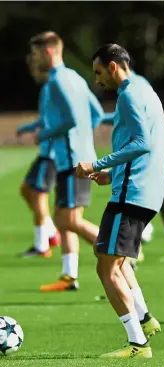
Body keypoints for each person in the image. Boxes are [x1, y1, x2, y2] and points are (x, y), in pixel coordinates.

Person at [76, 43, 164, 358]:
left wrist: (98, 164)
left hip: (132, 193)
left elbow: (142, 143)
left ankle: (138, 343)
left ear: (113, 67)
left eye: (99, 72)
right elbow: (154, 145)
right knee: (114, 259)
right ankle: (145, 318)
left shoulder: (129, 95)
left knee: (106, 267)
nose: (98, 80)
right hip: (143, 190)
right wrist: (112, 176)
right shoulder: (145, 89)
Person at [29, 31, 104, 292]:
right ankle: (69, 275)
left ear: (48, 52)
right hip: (76, 157)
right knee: (66, 218)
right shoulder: (75, 77)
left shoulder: (57, 81)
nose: (33, 58)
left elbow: (72, 118)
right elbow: (95, 113)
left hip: (72, 160)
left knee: (68, 220)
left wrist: (45, 134)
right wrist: (86, 141)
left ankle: (120, 253)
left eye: (36, 53)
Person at [100, 72, 164, 263]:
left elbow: (137, 133)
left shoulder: (130, 89)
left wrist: (99, 119)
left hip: (153, 153)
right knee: (157, 200)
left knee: (140, 198)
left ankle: (150, 246)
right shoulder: (142, 84)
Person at [17, 54, 60, 258]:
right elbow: (46, 118)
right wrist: (27, 127)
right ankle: (51, 233)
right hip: (46, 150)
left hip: (51, 152)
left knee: (38, 195)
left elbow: (62, 118)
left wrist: (43, 133)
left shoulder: (54, 86)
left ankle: (42, 245)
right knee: (26, 190)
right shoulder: (48, 87)